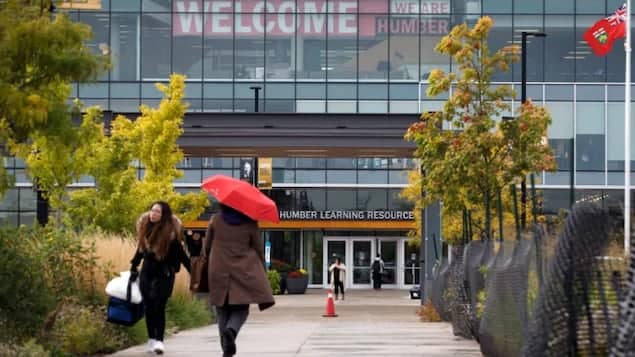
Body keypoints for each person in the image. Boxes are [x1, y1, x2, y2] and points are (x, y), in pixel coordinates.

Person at [203, 204, 275, 357]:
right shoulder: (250, 222)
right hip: (243, 270)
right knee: (241, 309)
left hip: (218, 268)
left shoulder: (215, 220)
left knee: (222, 310)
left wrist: (209, 260)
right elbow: (258, 248)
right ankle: (231, 331)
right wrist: (262, 269)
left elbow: (207, 246)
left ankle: (226, 349)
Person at [129, 201, 191, 355]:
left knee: (159, 307)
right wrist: (133, 267)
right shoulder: (145, 229)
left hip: (164, 274)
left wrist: (194, 272)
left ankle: (159, 341)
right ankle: (151, 339)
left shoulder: (170, 234)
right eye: (152, 210)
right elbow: (140, 250)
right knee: (149, 308)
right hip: (147, 273)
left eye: (157, 211)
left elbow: (182, 256)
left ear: (163, 216)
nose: (153, 214)